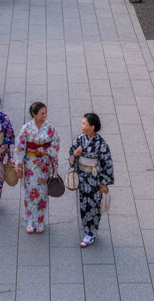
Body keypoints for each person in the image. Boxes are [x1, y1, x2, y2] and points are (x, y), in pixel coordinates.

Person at [15, 101, 60, 234]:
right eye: (41, 113)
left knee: (42, 194)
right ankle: (30, 220)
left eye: (45, 113)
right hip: (30, 164)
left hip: (44, 165)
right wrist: (19, 165)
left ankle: (40, 221)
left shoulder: (50, 128)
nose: (44, 116)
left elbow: (56, 143)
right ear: (34, 114)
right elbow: (20, 147)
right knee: (30, 193)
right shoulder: (26, 128)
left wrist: (48, 152)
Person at [70, 112, 114, 247]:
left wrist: (104, 182)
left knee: (94, 207)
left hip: (95, 181)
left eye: (85, 124)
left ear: (92, 127)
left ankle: (91, 233)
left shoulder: (101, 144)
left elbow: (107, 163)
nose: (82, 126)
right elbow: (72, 154)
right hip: (83, 179)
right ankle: (87, 230)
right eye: (82, 123)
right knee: (84, 205)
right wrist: (75, 154)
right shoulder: (80, 139)